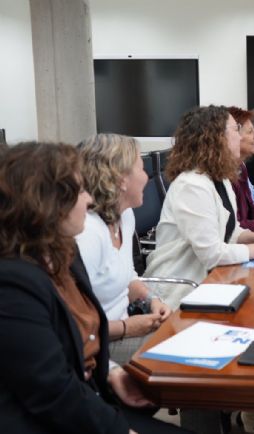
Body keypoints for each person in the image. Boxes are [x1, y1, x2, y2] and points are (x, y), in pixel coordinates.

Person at [0, 142, 189, 434]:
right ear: (48, 203)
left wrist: (111, 373)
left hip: (91, 396)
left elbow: (81, 338)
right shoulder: (14, 284)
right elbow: (52, 392)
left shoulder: (63, 256)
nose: (88, 201)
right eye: (79, 191)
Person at [144, 105, 254, 309]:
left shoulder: (219, 179)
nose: (241, 137)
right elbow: (212, 254)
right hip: (177, 294)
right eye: (234, 129)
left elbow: (229, 229)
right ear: (215, 138)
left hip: (209, 282)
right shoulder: (192, 185)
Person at [75, 134, 172, 366]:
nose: (147, 176)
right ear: (120, 179)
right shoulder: (87, 233)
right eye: (141, 167)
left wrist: (151, 300)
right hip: (99, 348)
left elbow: (128, 277)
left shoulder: (125, 216)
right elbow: (74, 327)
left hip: (124, 327)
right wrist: (127, 328)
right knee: (194, 359)